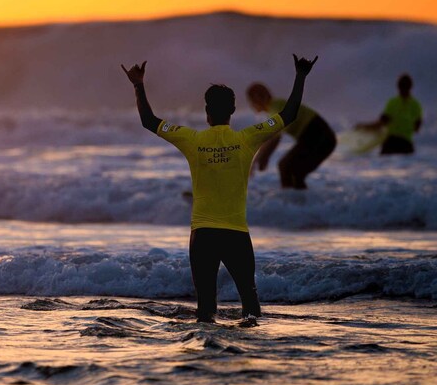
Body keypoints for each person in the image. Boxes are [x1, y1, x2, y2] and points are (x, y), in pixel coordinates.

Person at [122, 55, 318, 323]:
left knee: (205, 309)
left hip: (202, 235)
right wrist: (301, 76)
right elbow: (289, 114)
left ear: (206, 112)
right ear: (233, 110)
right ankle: (245, 358)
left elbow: (149, 120)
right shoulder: (248, 138)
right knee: (250, 306)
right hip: (236, 234)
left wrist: (138, 85)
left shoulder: (191, 139)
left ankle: (206, 360)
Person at [245, 83, 336, 189]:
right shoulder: (275, 107)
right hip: (320, 137)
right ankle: (299, 202)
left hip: (319, 135)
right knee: (294, 172)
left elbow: (274, 137)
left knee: (286, 166)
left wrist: (259, 160)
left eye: (251, 101)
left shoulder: (276, 106)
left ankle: (292, 201)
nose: (251, 105)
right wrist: (259, 159)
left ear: (257, 99)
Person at [358, 74, 422, 155]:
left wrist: (364, 127)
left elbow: (380, 124)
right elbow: (417, 128)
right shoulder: (416, 105)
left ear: (398, 87)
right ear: (411, 87)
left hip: (391, 143)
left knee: (384, 165)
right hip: (406, 145)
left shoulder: (393, 103)